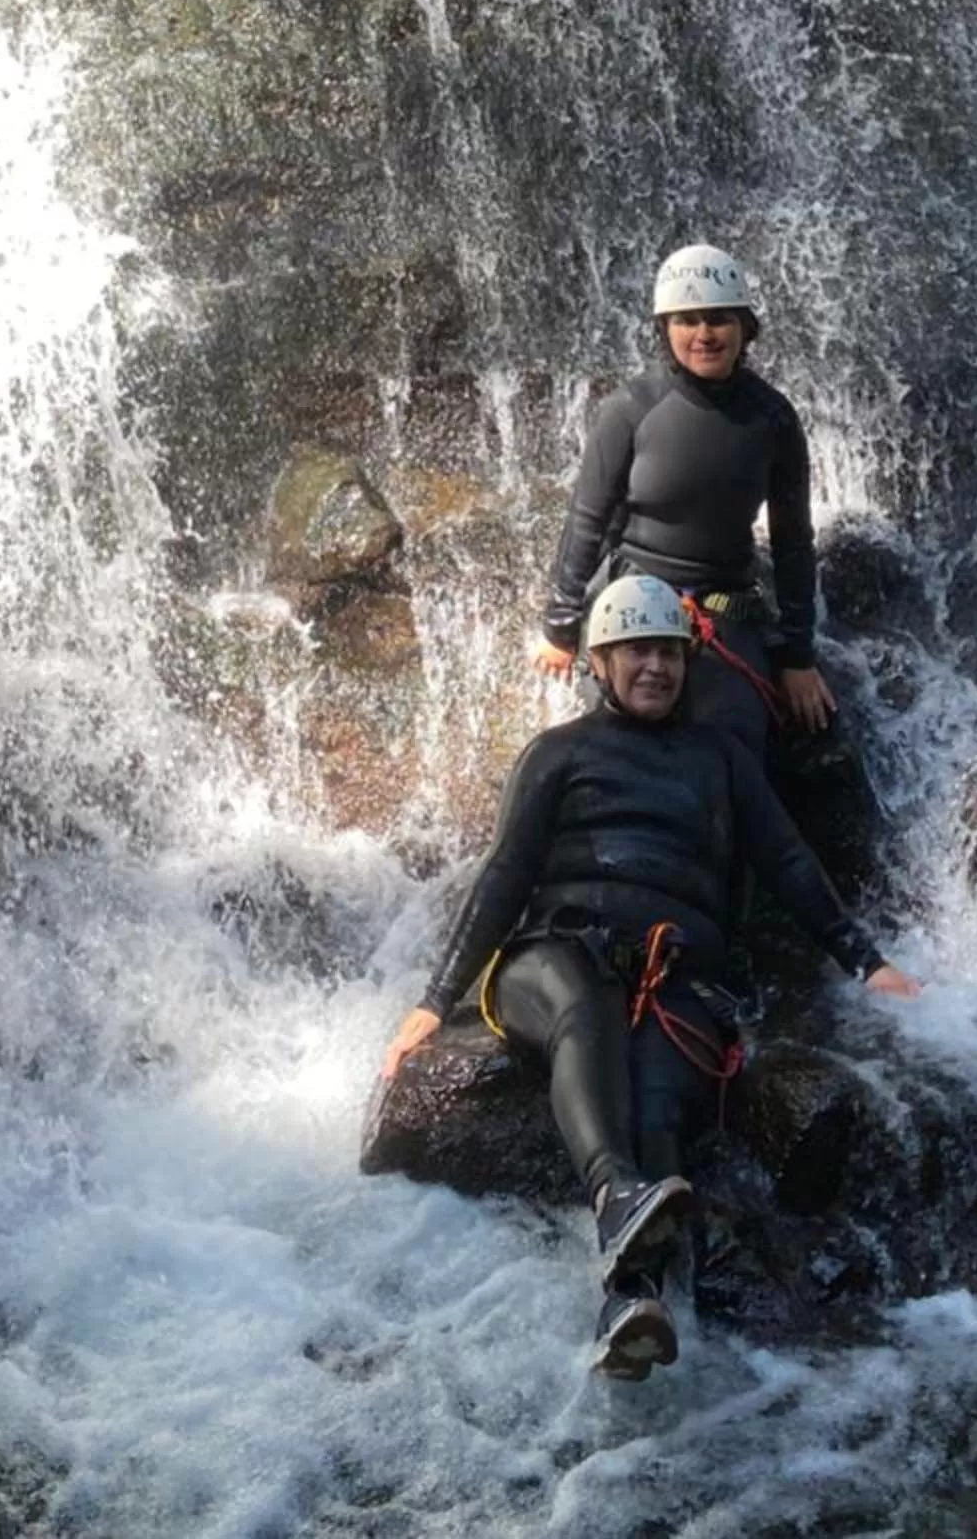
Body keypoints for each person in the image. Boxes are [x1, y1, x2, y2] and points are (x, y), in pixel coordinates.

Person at [379, 573, 922, 1381]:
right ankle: (615, 1192)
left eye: (667, 652)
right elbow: (502, 878)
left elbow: (788, 865)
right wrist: (432, 1003)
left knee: (663, 1086)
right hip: (550, 963)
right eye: (636, 651)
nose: (654, 667)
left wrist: (866, 961)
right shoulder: (557, 754)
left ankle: (630, 1305)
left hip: (672, 976)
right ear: (600, 661)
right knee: (586, 1003)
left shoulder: (723, 760)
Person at [532, 243, 828, 752]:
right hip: (633, 594)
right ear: (665, 331)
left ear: (744, 329)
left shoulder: (773, 419)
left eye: (719, 319)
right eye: (687, 320)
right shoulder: (629, 410)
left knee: (738, 729)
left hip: (726, 599)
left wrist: (797, 657)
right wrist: (560, 625)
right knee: (619, 732)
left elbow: (793, 542)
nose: (704, 334)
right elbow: (586, 519)